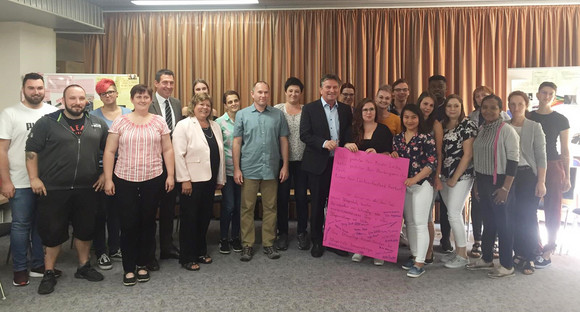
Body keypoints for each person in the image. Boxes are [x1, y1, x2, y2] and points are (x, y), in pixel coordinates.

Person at [25, 84, 108, 294]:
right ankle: (49, 272)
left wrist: (105, 174)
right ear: (64, 100)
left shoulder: (96, 123)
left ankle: (83, 266)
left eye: (81, 98)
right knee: (53, 233)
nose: (77, 103)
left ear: (86, 101)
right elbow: (31, 150)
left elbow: (110, 150)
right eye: (73, 98)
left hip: (87, 188)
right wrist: (34, 178)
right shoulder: (48, 122)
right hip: (54, 189)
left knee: (85, 230)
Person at [103, 84, 175, 286]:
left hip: (153, 178)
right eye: (138, 97)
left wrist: (171, 175)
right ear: (132, 99)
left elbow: (167, 150)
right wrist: (108, 179)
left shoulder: (159, 122)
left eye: (146, 97)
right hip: (124, 179)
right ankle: (128, 268)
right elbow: (109, 152)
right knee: (128, 225)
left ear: (151, 100)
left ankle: (143, 263)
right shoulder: (121, 122)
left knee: (148, 222)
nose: (142, 100)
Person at [0, 73, 58, 287]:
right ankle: (19, 269)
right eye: (31, 88)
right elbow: (2, 150)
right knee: (21, 225)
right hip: (20, 181)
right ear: (23, 89)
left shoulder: (53, 113)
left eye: (39, 88)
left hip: (47, 181)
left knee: (40, 225)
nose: (36, 92)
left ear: (45, 90)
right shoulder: (10, 114)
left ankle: (38, 265)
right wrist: (5, 181)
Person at [233, 81, 289, 261]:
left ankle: (268, 244)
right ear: (252, 94)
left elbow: (283, 141)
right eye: (259, 92)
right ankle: (247, 245)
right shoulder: (242, 115)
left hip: (271, 168)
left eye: (266, 92)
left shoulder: (278, 115)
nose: (263, 95)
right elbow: (237, 143)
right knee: (247, 208)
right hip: (249, 168)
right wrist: (236, 169)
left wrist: (285, 165)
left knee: (270, 207)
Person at [300, 74, 353, 258]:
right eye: (328, 87)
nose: (331, 91)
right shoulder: (309, 108)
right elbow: (304, 135)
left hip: (340, 165)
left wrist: (347, 143)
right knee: (317, 204)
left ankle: (335, 240)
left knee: (337, 205)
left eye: (334, 88)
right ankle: (317, 240)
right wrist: (324, 143)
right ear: (321, 89)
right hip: (317, 164)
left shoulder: (346, 109)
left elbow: (348, 133)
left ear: (339, 90)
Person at [467, 94, 519, 278]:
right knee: (488, 222)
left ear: (500, 110)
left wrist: (505, 188)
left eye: (493, 107)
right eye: (485, 107)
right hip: (482, 181)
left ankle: (507, 264)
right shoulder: (482, 129)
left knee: (504, 224)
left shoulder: (507, 130)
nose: (488, 111)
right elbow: (478, 158)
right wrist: (477, 185)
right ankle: (487, 258)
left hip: (501, 182)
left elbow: (513, 160)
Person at [173, 93, 225, 271]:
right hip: (191, 181)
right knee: (189, 219)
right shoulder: (184, 125)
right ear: (193, 106)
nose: (205, 108)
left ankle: (201, 251)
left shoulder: (215, 126)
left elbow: (220, 155)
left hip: (209, 180)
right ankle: (187, 256)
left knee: (204, 217)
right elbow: (178, 154)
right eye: (201, 104)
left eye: (208, 105)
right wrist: (184, 180)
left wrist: (220, 178)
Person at [344, 98, 393, 266]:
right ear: (360, 112)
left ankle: (377, 251)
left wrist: (379, 154)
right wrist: (348, 144)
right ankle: (360, 248)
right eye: (365, 109)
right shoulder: (352, 130)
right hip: (357, 181)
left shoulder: (384, 130)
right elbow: (343, 151)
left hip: (378, 181)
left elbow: (391, 154)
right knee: (360, 215)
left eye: (371, 109)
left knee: (377, 215)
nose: (369, 112)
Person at [90, 78, 132, 270]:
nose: (108, 96)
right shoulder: (92, 116)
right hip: (100, 171)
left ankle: (115, 247)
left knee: (117, 212)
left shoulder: (127, 113)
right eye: (104, 93)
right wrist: (103, 175)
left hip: (124, 169)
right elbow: (93, 148)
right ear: (100, 97)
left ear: (117, 93)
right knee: (100, 212)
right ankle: (101, 251)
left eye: (111, 92)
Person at [391, 103, 437, 278]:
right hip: (404, 186)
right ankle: (414, 254)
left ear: (419, 118)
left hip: (422, 185)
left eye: (413, 117)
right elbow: (396, 161)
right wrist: (393, 156)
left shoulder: (426, 138)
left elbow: (431, 164)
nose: (410, 120)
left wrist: (415, 179)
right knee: (409, 222)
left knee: (420, 223)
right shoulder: (397, 139)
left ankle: (420, 262)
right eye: (406, 117)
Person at [528, 81, 570, 268]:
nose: (546, 96)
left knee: (553, 209)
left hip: (553, 165)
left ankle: (548, 248)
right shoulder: (528, 116)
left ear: (554, 97)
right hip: (530, 166)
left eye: (550, 93)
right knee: (528, 209)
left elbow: (565, 149)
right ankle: (534, 246)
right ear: (537, 94)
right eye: (543, 92)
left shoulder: (561, 119)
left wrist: (567, 176)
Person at [507, 91, 546, 275]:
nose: (516, 108)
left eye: (520, 104)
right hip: (508, 177)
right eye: (512, 104)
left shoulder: (534, 126)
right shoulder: (503, 125)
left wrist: (541, 181)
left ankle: (530, 255)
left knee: (528, 217)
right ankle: (519, 253)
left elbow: (541, 157)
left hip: (527, 176)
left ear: (526, 105)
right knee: (512, 216)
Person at [467, 86, 509, 258]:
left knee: (499, 214)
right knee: (482, 211)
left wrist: (506, 186)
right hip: (480, 173)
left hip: (499, 175)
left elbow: (512, 157)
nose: (481, 99)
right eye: (478, 97)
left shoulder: (505, 124)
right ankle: (481, 246)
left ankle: (501, 252)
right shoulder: (477, 122)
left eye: (484, 96)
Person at [438, 95, 478, 269]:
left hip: (462, 175)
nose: (452, 109)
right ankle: (457, 251)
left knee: (453, 213)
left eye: (456, 106)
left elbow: (468, 154)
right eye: (449, 106)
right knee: (452, 214)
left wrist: (455, 177)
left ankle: (463, 255)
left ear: (461, 107)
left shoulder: (467, 125)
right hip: (445, 175)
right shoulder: (443, 125)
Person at [148, 69, 182, 269]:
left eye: (171, 82)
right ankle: (150, 252)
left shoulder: (176, 104)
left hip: (172, 166)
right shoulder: (149, 105)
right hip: (152, 166)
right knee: (151, 211)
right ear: (156, 84)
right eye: (164, 82)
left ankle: (167, 247)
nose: (168, 86)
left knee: (169, 209)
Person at [274, 77, 310, 251]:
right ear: (285, 92)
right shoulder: (277, 110)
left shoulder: (307, 110)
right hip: (282, 162)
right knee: (282, 198)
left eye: (297, 91)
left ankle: (302, 232)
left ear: (301, 93)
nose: (293, 94)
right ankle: (282, 233)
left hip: (303, 162)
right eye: (290, 91)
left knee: (302, 198)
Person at [416, 92, 444, 261]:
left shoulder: (435, 125)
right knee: (414, 217)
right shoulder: (412, 120)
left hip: (429, 175)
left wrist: (437, 176)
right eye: (425, 104)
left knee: (426, 216)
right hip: (411, 176)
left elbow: (439, 153)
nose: (427, 107)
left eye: (431, 105)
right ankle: (417, 250)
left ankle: (428, 252)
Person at [216, 90, 243, 254]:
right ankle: (223, 238)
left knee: (240, 206)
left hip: (243, 170)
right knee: (229, 206)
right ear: (225, 105)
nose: (233, 104)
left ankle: (236, 237)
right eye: (230, 102)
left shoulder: (245, 119)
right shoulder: (218, 122)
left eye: (236, 100)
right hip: (226, 170)